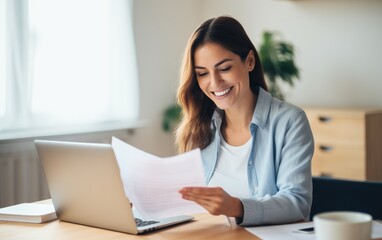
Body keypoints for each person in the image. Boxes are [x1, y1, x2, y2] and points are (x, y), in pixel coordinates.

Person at [177, 16, 314, 226]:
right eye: (202, 73)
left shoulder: (289, 122)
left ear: (249, 61)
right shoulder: (198, 127)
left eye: (224, 69)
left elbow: (297, 203)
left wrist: (236, 206)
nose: (214, 82)